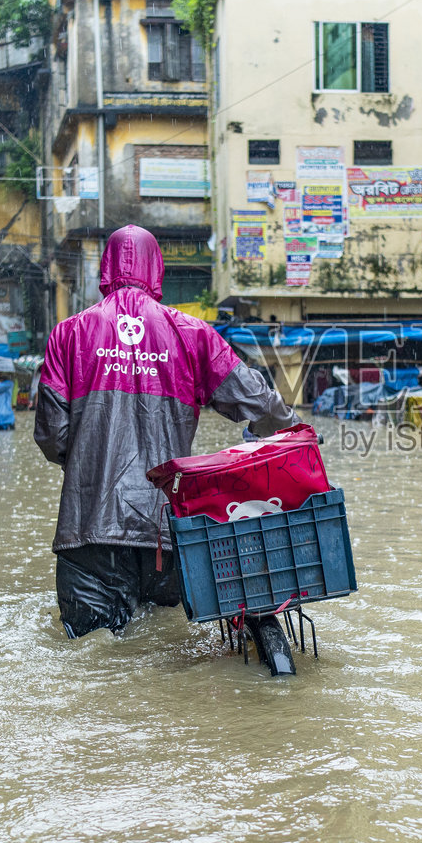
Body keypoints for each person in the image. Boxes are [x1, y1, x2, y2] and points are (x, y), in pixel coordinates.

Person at [35, 226, 297, 638]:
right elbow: (260, 403)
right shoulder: (192, 334)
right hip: (165, 531)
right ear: (158, 270)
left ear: (105, 268)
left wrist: (90, 459)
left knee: (89, 657)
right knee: (159, 652)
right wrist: (294, 437)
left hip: (87, 528)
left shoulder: (68, 334)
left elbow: (52, 435)